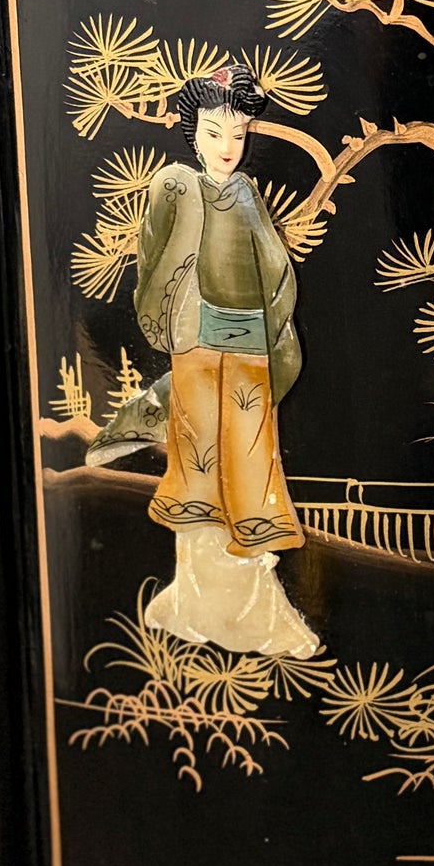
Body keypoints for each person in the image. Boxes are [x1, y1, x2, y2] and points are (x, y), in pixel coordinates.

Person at [117, 61, 318, 658]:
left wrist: (276, 320)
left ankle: (256, 613)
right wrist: (165, 318)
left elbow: (274, 268)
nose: (227, 146)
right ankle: (195, 602)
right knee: (200, 460)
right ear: (193, 131)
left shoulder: (250, 193)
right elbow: (152, 260)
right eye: (213, 132)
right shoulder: (174, 185)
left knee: (251, 458)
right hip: (198, 341)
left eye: (237, 134)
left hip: (252, 341)